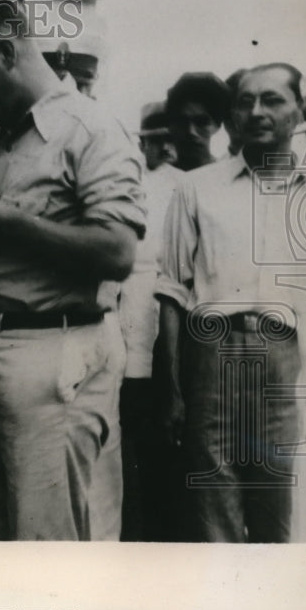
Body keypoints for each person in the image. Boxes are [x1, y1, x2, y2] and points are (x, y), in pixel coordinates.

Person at [0, 0, 145, 540]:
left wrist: (4, 221)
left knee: (46, 550)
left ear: (6, 51)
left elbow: (117, 252)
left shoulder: (90, 130)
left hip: (51, 362)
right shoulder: (3, 138)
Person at [155, 62, 306, 542]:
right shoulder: (197, 188)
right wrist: (174, 389)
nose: (257, 112)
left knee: (279, 517)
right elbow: (172, 291)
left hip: (286, 363)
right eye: (245, 101)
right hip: (212, 357)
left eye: (272, 100)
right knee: (213, 513)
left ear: (300, 110)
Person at [117, 101, 185, 541]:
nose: (156, 149)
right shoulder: (133, 181)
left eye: (162, 141)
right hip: (131, 323)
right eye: (149, 141)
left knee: (166, 432)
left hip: (169, 318)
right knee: (134, 427)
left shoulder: (181, 185)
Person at [165, 72, 229, 171]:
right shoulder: (155, 179)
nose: (191, 131)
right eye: (182, 122)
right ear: (170, 125)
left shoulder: (227, 175)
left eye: (201, 122)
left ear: (217, 125)